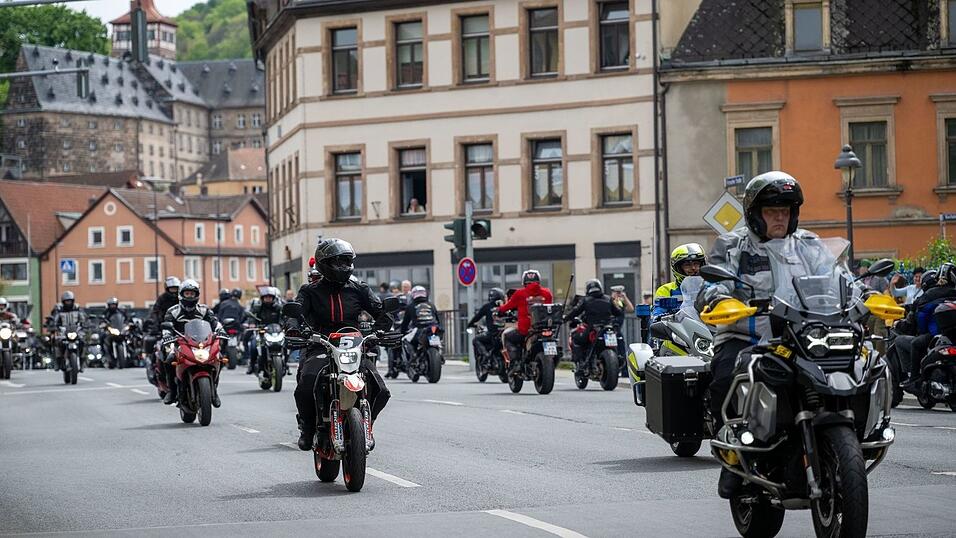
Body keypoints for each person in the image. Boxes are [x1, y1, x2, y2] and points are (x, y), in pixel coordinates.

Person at [699, 171, 829, 499]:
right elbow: (710, 285)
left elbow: (835, 278)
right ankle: (732, 453)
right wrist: (719, 298)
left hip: (800, 338)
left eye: (785, 211)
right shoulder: (733, 245)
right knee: (725, 375)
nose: (780, 218)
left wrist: (860, 296)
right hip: (748, 337)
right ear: (755, 214)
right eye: (772, 211)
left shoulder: (808, 245)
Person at [285, 238, 394, 451]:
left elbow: (379, 309)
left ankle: (366, 424)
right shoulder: (310, 291)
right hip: (321, 344)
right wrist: (293, 327)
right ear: (324, 263)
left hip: (353, 346)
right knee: (306, 384)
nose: (344, 266)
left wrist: (381, 327)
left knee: (381, 390)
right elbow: (296, 312)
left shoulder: (359, 288)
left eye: (347, 261)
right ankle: (307, 428)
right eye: (339, 262)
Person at [161, 279, 224, 406]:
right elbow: (167, 326)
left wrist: (221, 330)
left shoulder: (204, 310)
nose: (190, 296)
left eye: (192, 293)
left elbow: (214, 322)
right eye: (187, 293)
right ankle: (172, 391)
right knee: (169, 359)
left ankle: (214, 390)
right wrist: (167, 336)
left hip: (201, 343)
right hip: (180, 343)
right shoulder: (173, 311)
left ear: (197, 295)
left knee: (219, 358)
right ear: (181, 294)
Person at [497, 270, 553, 370]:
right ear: (538, 281)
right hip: (544, 328)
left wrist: (499, 310)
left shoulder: (519, 293)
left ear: (524, 282)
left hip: (525, 330)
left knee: (507, 336)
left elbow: (507, 307)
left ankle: (515, 363)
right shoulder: (547, 293)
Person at [564, 279, 622, 373]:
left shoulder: (586, 300)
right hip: (608, 328)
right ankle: (618, 358)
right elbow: (618, 312)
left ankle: (580, 364)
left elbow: (575, 311)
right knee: (618, 340)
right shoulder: (608, 299)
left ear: (588, 289)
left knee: (576, 339)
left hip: (592, 328)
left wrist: (565, 318)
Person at [654, 243, 706, 317]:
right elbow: (658, 314)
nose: (693, 268)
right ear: (678, 268)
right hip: (679, 324)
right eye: (687, 265)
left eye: (696, 263)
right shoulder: (666, 290)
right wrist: (659, 317)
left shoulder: (709, 287)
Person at [247, 286, 283, 378]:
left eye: (270, 297)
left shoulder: (278, 308)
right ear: (262, 298)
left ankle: (285, 364)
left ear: (273, 298)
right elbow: (252, 316)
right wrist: (252, 323)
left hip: (275, 332)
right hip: (262, 332)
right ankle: (251, 365)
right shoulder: (258, 307)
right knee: (253, 345)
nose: (268, 299)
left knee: (286, 344)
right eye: (266, 297)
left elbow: (284, 316)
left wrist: (285, 324)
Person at [399, 285, 443, 359]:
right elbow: (438, 319)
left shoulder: (411, 306)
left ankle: (413, 356)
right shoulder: (431, 305)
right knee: (438, 342)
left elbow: (405, 322)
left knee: (406, 340)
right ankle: (440, 354)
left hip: (419, 329)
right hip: (434, 328)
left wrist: (402, 332)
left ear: (413, 295)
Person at [48, 291, 87, 372]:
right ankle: (57, 361)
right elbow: (55, 320)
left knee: (83, 342)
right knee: (57, 343)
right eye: (66, 301)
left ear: (73, 301)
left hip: (76, 330)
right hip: (63, 332)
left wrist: (86, 324)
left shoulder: (77, 309)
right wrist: (53, 326)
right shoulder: (59, 310)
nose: (68, 303)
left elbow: (83, 318)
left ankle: (82, 361)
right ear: (63, 302)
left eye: (70, 301)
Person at [467, 287, 506, 362]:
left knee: (476, 340)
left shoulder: (487, 307)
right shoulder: (504, 306)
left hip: (492, 334)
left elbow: (477, 317)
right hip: (503, 333)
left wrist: (470, 324)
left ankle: (486, 355)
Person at [99, 297, 128, 364]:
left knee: (131, 336)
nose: (113, 306)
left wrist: (128, 323)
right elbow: (102, 320)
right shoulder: (106, 312)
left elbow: (126, 319)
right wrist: (103, 324)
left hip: (120, 330)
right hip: (110, 330)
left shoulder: (121, 312)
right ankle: (103, 353)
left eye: (114, 305)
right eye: (111, 305)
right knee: (102, 337)